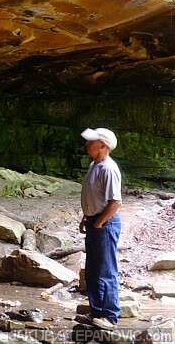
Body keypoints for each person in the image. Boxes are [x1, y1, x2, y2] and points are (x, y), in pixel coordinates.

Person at [79, 127, 122, 330]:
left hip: (105, 223)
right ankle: (96, 313)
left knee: (106, 271)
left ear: (102, 145)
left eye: (91, 141)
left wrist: (98, 222)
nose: (87, 144)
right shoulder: (94, 165)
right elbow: (93, 196)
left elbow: (115, 202)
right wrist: (86, 217)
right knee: (92, 271)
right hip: (95, 220)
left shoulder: (108, 169)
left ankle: (110, 317)